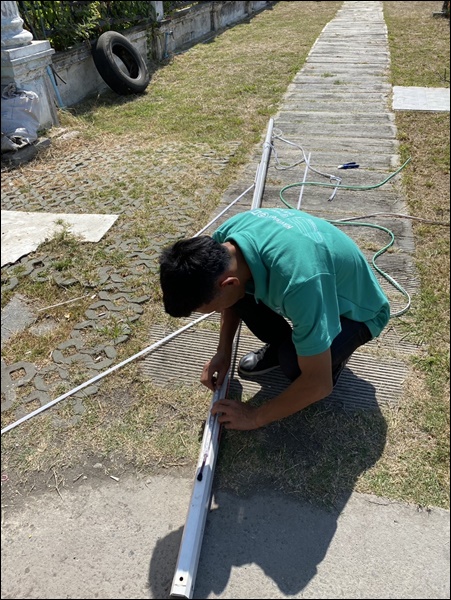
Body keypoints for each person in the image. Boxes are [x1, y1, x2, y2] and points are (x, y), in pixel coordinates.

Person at [159, 208, 390, 431]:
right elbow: (230, 299)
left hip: (357, 313)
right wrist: (224, 350)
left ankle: (330, 358)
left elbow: (319, 384)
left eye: (214, 309)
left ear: (229, 283)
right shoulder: (224, 243)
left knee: (294, 365)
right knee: (241, 299)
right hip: (316, 286)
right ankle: (295, 345)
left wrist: (254, 417)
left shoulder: (300, 283)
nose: (218, 311)